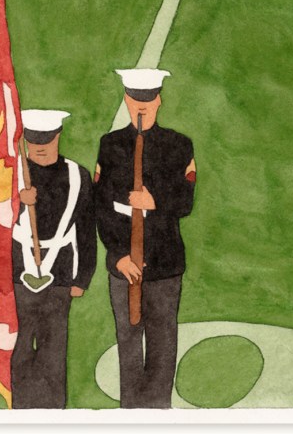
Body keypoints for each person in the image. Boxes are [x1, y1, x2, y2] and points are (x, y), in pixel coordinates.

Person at [93, 69, 196, 409]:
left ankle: (159, 416)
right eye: (135, 100)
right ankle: (129, 416)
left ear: (159, 101)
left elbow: (186, 201)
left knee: (164, 345)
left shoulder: (179, 146)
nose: (142, 107)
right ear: (126, 100)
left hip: (165, 267)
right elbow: (100, 207)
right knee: (128, 344)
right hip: (124, 268)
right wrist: (118, 256)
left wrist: (156, 202)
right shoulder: (110, 147)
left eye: (148, 101)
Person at [10, 109, 95, 409]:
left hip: (59, 277)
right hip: (16, 277)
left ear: (58, 136)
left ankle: (53, 416)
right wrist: (17, 203)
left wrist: (83, 277)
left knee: (53, 355)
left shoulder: (78, 175)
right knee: (18, 354)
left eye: (46, 139)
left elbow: (86, 230)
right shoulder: (12, 176)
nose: (40, 146)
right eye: (33, 141)